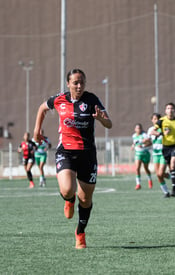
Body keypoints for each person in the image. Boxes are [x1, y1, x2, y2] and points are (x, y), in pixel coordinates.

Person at [33, 69, 112, 249]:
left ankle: (80, 233)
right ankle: (69, 200)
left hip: (88, 154)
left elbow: (109, 123)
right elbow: (42, 108)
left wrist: (101, 120)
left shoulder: (92, 99)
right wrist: (37, 130)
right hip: (66, 152)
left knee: (86, 200)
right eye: (75, 82)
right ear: (68, 84)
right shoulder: (59, 99)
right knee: (68, 190)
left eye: (81, 82)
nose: (79, 86)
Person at [148, 113, 171, 197]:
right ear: (152, 120)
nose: (155, 120)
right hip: (155, 154)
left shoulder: (163, 128)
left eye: (157, 119)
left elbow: (167, 135)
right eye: (154, 119)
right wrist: (143, 144)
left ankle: (171, 177)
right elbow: (149, 140)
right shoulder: (150, 129)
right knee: (158, 175)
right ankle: (166, 192)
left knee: (160, 173)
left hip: (163, 153)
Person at [131, 123, 153, 190]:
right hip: (138, 153)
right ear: (135, 129)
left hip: (145, 153)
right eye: (137, 128)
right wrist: (133, 146)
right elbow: (135, 143)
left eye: (140, 128)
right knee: (137, 168)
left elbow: (150, 143)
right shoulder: (134, 136)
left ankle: (149, 180)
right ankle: (138, 184)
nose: (139, 130)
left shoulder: (144, 135)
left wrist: (143, 145)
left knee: (146, 169)